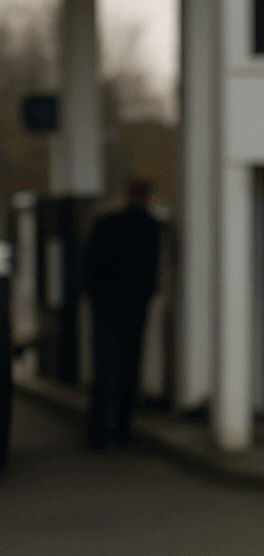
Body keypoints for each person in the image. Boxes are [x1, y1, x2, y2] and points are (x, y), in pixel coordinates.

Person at [83, 177, 162, 449]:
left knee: (105, 368)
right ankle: (122, 431)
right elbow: (152, 269)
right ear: (147, 197)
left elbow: (90, 264)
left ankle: (97, 433)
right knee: (130, 367)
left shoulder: (106, 224)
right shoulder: (150, 227)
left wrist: (95, 297)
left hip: (106, 307)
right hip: (135, 308)